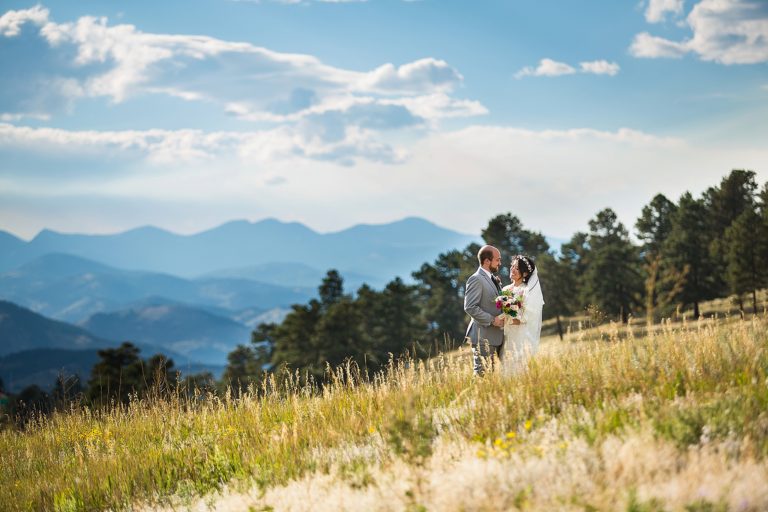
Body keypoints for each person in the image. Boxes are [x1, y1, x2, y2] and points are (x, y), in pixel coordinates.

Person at [464, 245, 505, 375]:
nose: (500, 263)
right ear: (487, 261)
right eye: (497, 260)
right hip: (483, 337)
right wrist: (493, 320)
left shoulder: (492, 278)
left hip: (497, 337)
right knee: (483, 376)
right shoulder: (476, 279)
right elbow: (470, 307)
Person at [502, 255, 544, 374]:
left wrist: (508, 320)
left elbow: (527, 317)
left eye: (516, 268)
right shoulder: (505, 289)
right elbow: (502, 310)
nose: (512, 269)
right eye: (512, 266)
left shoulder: (527, 291)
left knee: (518, 368)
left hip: (520, 335)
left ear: (525, 274)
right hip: (506, 335)